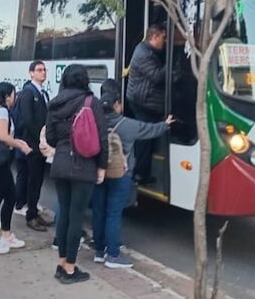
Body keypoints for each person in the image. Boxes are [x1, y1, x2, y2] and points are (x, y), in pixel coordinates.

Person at [93, 81, 175, 268]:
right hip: (120, 174)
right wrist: (165, 124)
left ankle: (99, 251)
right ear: (116, 105)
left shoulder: (95, 122)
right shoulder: (127, 124)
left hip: (98, 172)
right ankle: (113, 254)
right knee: (114, 213)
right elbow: (150, 130)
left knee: (99, 211)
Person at [46, 64, 108, 284]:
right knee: (76, 216)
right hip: (84, 166)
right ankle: (71, 269)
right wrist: (102, 167)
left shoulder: (55, 103)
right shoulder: (91, 102)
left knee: (64, 213)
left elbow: (51, 138)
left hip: (60, 164)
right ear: (84, 79)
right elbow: (102, 138)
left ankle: (62, 262)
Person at [0, 82, 33, 254]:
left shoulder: (1, 111)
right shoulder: (2, 112)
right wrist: (21, 145)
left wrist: (18, 142)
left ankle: (6, 235)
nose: (15, 96)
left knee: (11, 197)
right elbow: (3, 136)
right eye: (13, 93)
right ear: (8, 96)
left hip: (1, 162)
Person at [126, 25, 168, 184]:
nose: (165, 41)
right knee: (145, 138)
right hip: (142, 102)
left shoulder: (148, 51)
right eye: (163, 37)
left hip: (146, 100)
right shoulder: (144, 53)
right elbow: (156, 76)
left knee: (149, 137)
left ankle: (143, 171)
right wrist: (171, 62)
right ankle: (140, 174)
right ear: (154, 36)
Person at [14, 60, 52, 231]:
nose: (43, 72)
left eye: (44, 70)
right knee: (32, 180)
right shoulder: (28, 93)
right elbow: (28, 121)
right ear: (31, 73)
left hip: (40, 145)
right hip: (32, 145)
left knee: (38, 180)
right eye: (39, 70)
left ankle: (34, 211)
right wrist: (41, 139)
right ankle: (31, 216)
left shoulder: (43, 93)